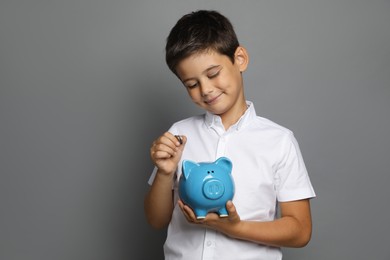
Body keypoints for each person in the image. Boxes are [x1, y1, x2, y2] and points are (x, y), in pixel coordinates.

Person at [144, 10, 316, 260]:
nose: (206, 89)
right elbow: (155, 220)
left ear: (240, 59)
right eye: (192, 85)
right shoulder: (179, 135)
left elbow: (300, 231)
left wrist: (235, 228)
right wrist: (165, 172)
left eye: (213, 74)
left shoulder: (279, 141)